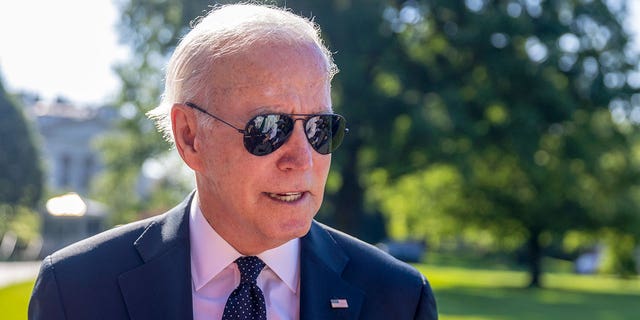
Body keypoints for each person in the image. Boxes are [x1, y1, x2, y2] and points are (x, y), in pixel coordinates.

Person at [28, 3, 438, 320]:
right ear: (190, 136)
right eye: (269, 128)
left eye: (319, 128)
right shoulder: (76, 288)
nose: (302, 158)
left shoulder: (399, 298)